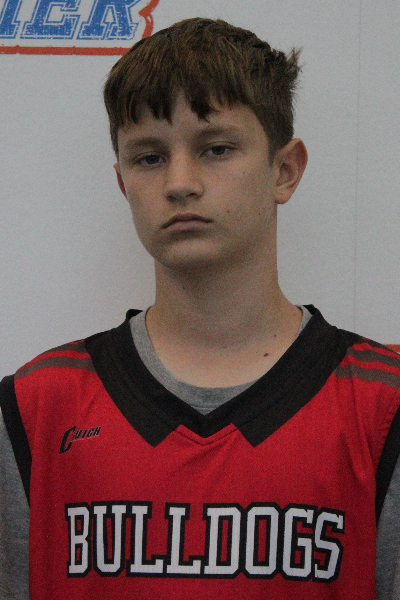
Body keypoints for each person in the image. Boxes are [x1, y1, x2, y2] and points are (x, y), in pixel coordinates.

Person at [1, 17, 400, 600]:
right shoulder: (35, 408)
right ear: (122, 182)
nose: (180, 183)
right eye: (149, 157)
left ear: (285, 170)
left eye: (216, 149)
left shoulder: (383, 406)